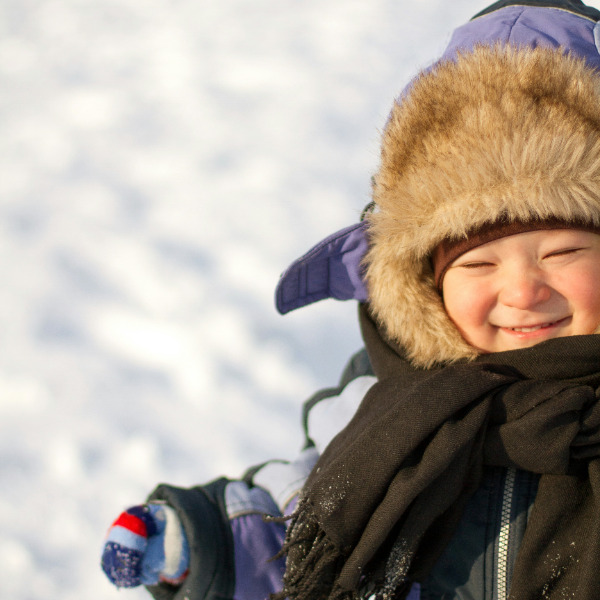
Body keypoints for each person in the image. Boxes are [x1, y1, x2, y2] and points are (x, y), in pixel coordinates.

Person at [100, 1, 600, 599]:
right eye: (478, 263)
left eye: (561, 252)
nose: (522, 290)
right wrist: (207, 537)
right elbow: (314, 514)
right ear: (425, 282)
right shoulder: (390, 402)